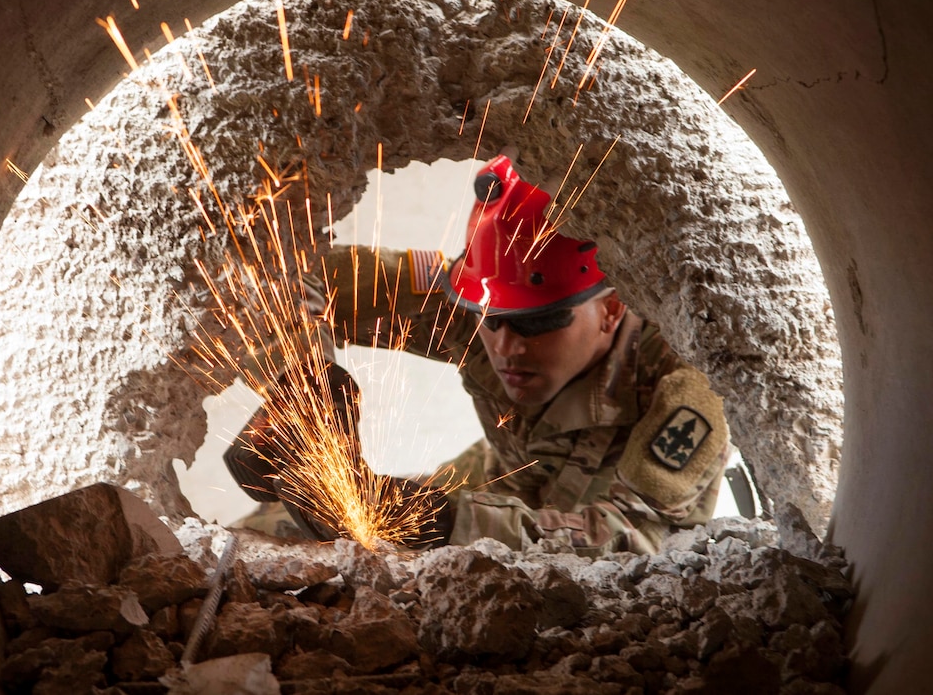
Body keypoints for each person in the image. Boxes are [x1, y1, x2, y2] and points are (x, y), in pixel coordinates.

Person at [225, 154, 731, 556]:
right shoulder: (468, 299)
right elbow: (293, 278)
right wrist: (305, 384)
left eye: (538, 323)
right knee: (266, 533)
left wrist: (435, 520)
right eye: (490, 318)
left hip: (577, 530)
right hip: (498, 479)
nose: (506, 346)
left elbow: (632, 540)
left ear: (612, 309)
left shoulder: (687, 384)